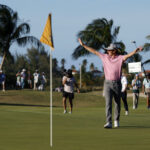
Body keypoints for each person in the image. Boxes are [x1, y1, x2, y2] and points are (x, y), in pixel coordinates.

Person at [78, 38, 143, 128]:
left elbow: (128, 56)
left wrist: (135, 51)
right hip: (107, 83)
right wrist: (83, 45)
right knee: (108, 103)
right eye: (107, 50)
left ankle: (116, 120)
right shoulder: (104, 57)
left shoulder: (120, 58)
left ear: (114, 51)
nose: (108, 51)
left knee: (117, 103)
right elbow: (94, 51)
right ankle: (109, 122)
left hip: (117, 83)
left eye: (109, 50)